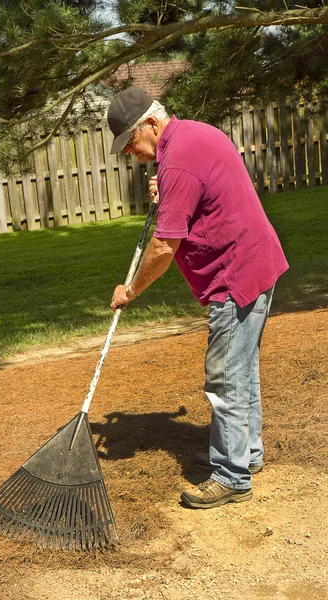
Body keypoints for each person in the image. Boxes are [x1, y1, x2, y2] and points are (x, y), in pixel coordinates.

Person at [107, 86, 289, 509]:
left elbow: (163, 248)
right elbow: (197, 194)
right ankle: (248, 455)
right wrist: (168, 191)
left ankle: (231, 474)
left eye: (130, 142)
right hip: (257, 263)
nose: (130, 153)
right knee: (243, 371)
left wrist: (130, 291)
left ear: (152, 124)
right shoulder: (192, 136)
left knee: (225, 378)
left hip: (236, 276)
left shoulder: (180, 161)